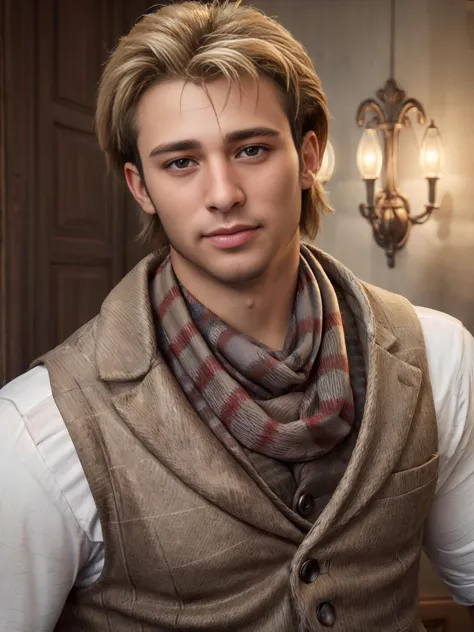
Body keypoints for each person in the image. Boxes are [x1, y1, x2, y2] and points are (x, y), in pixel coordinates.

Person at [0, 1, 473, 630]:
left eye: (250, 149)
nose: (223, 194)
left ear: (308, 158)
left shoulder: (438, 354)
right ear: (141, 187)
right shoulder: (39, 430)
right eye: (181, 162)